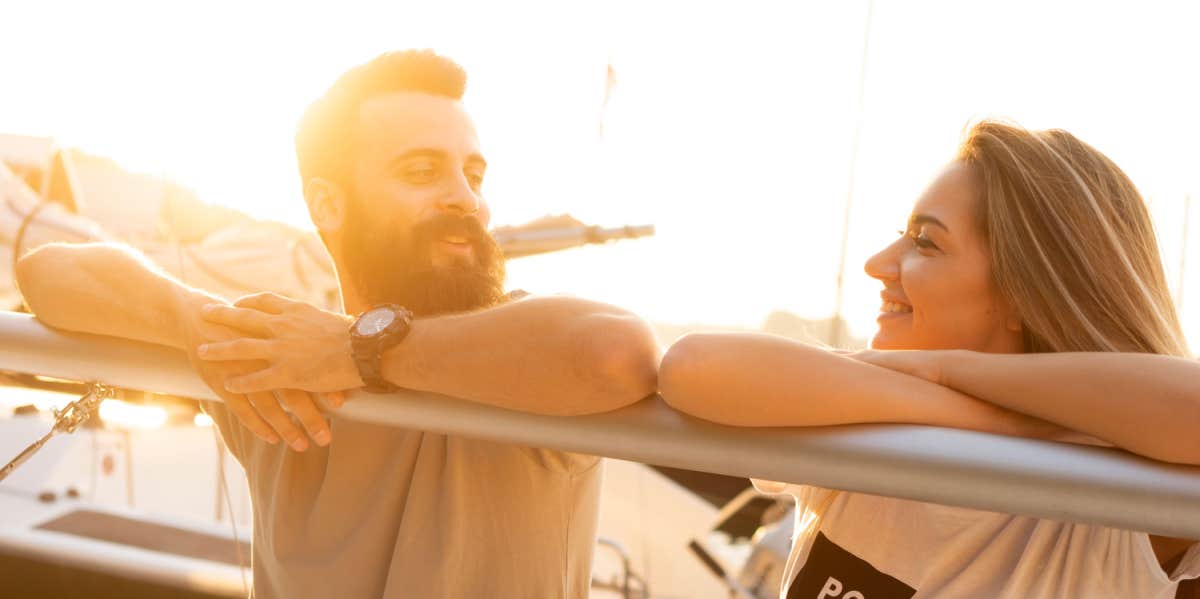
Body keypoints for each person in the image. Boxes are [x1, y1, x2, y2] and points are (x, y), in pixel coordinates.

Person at [16, 49, 660, 598]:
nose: (465, 197)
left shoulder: (526, 352)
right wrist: (194, 323)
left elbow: (614, 355)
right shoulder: (279, 361)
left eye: (473, 174)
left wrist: (359, 352)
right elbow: (47, 272)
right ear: (327, 203)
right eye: (421, 171)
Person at [658, 121, 1200, 598]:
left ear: (1025, 293)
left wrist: (947, 371)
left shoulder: (1117, 509)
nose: (877, 264)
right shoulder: (862, 423)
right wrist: (979, 414)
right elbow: (693, 366)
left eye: (925, 242)